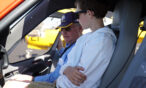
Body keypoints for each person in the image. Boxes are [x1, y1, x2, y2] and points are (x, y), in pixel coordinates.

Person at [3, 0, 117, 88]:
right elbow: (67, 67)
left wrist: (62, 75)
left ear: (89, 13)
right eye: (62, 30)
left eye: (77, 15)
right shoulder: (88, 37)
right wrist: (66, 70)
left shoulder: (101, 41)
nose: (63, 33)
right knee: (10, 84)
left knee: (10, 85)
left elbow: (80, 79)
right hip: (60, 83)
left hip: (61, 86)